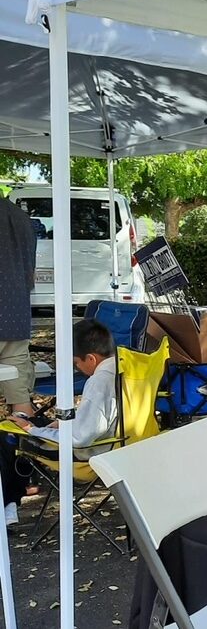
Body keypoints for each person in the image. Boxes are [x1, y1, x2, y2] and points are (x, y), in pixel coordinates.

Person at [3, 319, 119, 525]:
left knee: (8, 436)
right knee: (28, 425)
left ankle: (8, 504)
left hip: (88, 453)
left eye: (76, 363)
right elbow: (101, 417)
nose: (77, 368)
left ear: (91, 359)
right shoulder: (124, 368)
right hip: (118, 443)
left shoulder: (98, 382)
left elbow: (79, 438)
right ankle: (10, 503)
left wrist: (32, 430)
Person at [0, 196, 37, 418]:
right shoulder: (22, 218)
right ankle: (21, 438)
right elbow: (30, 274)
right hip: (16, 316)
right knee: (20, 401)